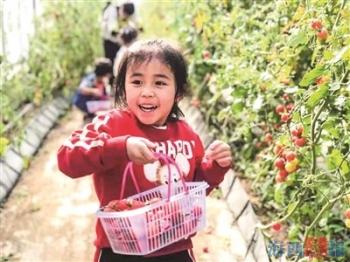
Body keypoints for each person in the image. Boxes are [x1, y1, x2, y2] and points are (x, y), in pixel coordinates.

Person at [57, 39, 232, 262]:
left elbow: (194, 189)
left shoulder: (187, 135)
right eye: (137, 81)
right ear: (123, 87)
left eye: (160, 83)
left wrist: (214, 167)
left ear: (178, 92)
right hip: (120, 249)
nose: (147, 92)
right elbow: (66, 158)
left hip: (175, 248)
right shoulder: (111, 125)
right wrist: (120, 147)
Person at [101, 1, 139, 65]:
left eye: (127, 16)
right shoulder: (112, 11)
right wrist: (124, 36)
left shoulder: (127, 12)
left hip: (118, 42)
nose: (125, 17)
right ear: (121, 8)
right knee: (110, 62)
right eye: (125, 14)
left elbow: (136, 24)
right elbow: (113, 31)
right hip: (109, 41)